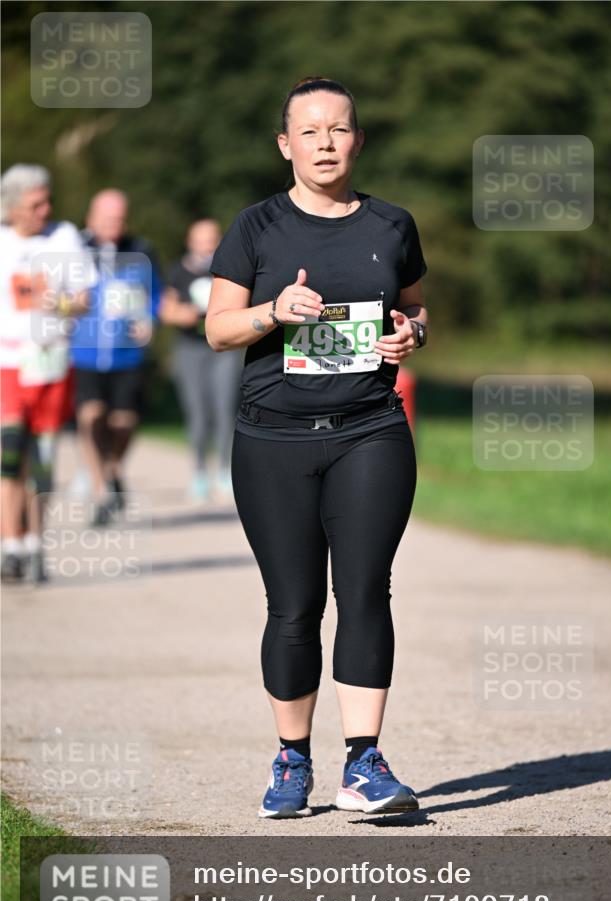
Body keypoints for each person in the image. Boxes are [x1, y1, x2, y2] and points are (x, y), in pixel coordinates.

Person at [206, 77, 429, 818]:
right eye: (309, 131)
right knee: (294, 606)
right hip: (272, 439)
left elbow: (416, 304)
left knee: (365, 590)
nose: (324, 143)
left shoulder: (392, 225)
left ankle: (364, 765)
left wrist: (412, 332)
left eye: (338, 129)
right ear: (285, 145)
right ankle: (291, 761)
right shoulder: (256, 227)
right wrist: (274, 310)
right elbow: (217, 329)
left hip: (370, 430)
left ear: (357, 140)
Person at [0, 164, 96, 583]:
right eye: (36, 203)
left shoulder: (65, 237)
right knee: (9, 453)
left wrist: (58, 303)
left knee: (40, 459)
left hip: (52, 360)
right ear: (13, 207)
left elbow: (84, 299)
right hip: (7, 362)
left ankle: (36, 543)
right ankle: (11, 545)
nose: (46, 208)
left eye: (47, 199)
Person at [69, 189, 160, 526]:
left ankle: (111, 470)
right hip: (85, 351)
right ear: (91, 218)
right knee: (90, 416)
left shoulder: (142, 250)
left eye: (120, 219)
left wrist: (149, 320)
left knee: (124, 422)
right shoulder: (75, 249)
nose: (114, 225)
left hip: (127, 354)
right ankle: (101, 490)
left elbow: (156, 294)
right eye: (107, 219)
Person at [160, 219, 242, 501]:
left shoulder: (228, 268)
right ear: (190, 242)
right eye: (201, 241)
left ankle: (224, 471)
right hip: (190, 350)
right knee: (197, 413)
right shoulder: (178, 271)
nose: (207, 247)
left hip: (223, 349)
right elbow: (165, 310)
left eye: (212, 241)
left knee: (224, 410)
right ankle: (198, 472)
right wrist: (181, 313)